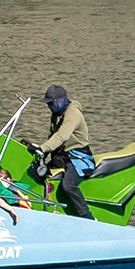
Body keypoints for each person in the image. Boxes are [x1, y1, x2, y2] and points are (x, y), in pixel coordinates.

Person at [36, 87, 94, 218]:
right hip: (62, 157)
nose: (48, 106)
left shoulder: (73, 114)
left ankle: (87, 217)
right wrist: (42, 153)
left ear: (62, 100)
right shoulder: (56, 114)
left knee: (68, 185)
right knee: (40, 175)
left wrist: (43, 148)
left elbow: (62, 136)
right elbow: (52, 136)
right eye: (47, 103)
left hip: (79, 158)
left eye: (51, 103)